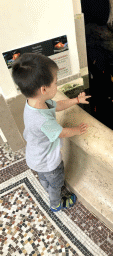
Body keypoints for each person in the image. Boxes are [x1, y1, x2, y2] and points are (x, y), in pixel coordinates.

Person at [12, 53, 91, 212]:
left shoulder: (34, 102)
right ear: (44, 89)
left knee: (44, 178)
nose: (57, 85)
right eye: (55, 82)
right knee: (56, 183)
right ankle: (55, 203)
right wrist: (77, 130)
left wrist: (76, 100)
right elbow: (61, 132)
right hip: (49, 162)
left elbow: (58, 105)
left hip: (35, 156)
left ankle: (46, 185)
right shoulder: (43, 120)